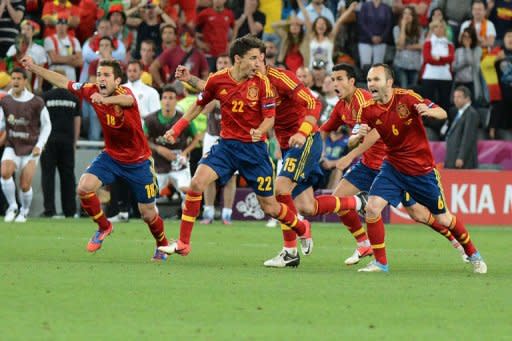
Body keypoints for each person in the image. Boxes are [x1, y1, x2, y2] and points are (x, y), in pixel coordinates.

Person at [157, 35, 312, 258]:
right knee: (196, 183)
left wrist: (260, 130)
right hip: (227, 147)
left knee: (269, 206)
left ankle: (301, 227)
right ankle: (183, 243)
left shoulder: (263, 83)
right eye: (252, 58)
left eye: (259, 58)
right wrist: (176, 129)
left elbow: (270, 118)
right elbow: (199, 105)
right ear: (238, 59)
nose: (258, 64)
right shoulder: (218, 79)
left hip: (255, 151)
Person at [338, 63, 487, 274]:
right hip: (393, 167)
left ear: (389, 82)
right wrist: (357, 136)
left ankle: (473, 253)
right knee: (372, 207)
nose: (371, 84)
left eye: (376, 79)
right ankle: (381, 263)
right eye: (369, 80)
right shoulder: (368, 109)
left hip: (421, 170)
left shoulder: (407, 98)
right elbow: (353, 140)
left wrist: (429, 111)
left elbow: (443, 112)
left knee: (444, 218)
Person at [21, 57, 171, 261]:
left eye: (106, 75)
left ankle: (162, 244)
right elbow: (63, 81)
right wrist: (34, 67)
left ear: (118, 81)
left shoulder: (124, 94)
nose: (101, 78)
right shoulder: (91, 90)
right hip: (111, 156)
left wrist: (106, 100)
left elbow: (127, 101)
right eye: (99, 74)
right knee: (83, 188)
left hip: (139, 161)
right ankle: (104, 226)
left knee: (147, 214)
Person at [175, 54, 237, 225]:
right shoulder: (212, 82)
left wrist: (221, 101)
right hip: (212, 135)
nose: (223, 64)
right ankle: (208, 212)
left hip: (232, 136)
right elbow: (203, 109)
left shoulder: (237, 82)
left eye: (226, 62)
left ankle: (227, 214)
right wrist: (218, 100)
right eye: (220, 62)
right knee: (208, 175)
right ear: (216, 64)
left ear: (231, 64)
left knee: (231, 177)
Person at [0, 68, 52, 223]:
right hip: (12, 145)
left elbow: (47, 126)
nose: (15, 81)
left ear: (25, 81)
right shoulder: (6, 101)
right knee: (5, 172)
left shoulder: (36, 102)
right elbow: (2, 123)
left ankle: (24, 210)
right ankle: (12, 207)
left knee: (24, 184)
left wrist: (40, 145)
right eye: (13, 78)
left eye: (18, 78)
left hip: (31, 148)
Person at [144, 85, 201, 204]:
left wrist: (185, 153)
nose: (167, 101)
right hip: (158, 163)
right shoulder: (150, 120)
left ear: (176, 101)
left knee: (188, 196)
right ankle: (152, 221)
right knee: (149, 198)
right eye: (165, 98)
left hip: (179, 162)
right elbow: (143, 140)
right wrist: (158, 148)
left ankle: (187, 219)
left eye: (171, 98)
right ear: (161, 100)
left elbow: (197, 138)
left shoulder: (184, 118)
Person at [40, 83, 81, 218]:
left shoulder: (45, 97)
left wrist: (40, 142)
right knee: (68, 177)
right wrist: (74, 142)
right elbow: (77, 121)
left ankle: (49, 210)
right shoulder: (73, 98)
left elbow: (40, 120)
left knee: (48, 176)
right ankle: (70, 211)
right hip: (67, 142)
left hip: (48, 142)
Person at [444, 86, 479, 169]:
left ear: (467, 99)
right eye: (454, 97)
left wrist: (461, 157)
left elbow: (468, 137)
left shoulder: (471, 113)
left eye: (459, 97)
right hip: (453, 158)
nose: (455, 99)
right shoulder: (459, 112)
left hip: (463, 161)